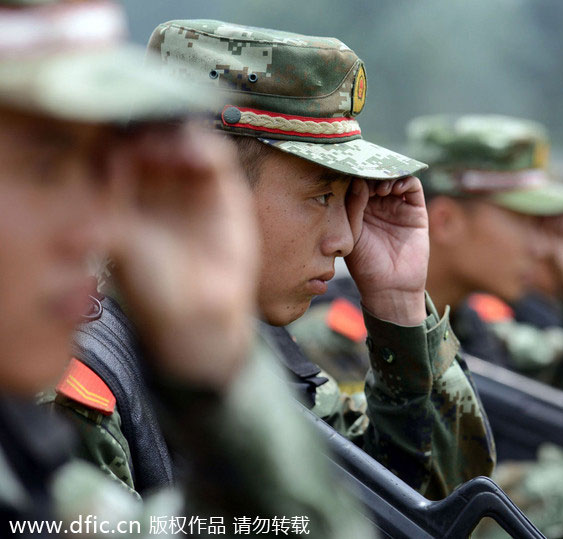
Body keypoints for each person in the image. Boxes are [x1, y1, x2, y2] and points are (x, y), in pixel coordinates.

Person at [50, 19, 495, 502]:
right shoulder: (76, 386)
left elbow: (440, 508)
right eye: (322, 197)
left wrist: (399, 306)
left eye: (351, 201)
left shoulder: (254, 352)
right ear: (197, 186)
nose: (346, 239)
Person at [0, 1, 370, 537]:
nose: (97, 229)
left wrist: (219, 377)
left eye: (99, 170)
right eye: (43, 168)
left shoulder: (46, 491)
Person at [292, 114, 563, 538]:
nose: (540, 247)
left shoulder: (481, 329)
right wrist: (552, 492)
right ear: (446, 221)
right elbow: (381, 498)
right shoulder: (338, 336)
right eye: (522, 222)